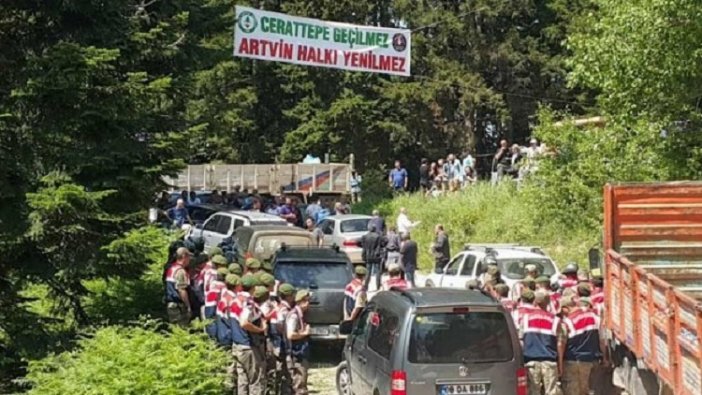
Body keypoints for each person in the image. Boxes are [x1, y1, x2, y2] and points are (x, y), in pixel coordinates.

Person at [558, 297, 607, 395]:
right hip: (592, 361)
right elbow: (602, 340)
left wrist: (560, 365)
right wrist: (605, 358)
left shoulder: (567, 322)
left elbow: (561, 345)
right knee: (589, 391)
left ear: (565, 308)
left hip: (573, 362)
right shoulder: (595, 318)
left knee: (572, 391)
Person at [521, 290, 561, 395]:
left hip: (530, 362)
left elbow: (521, 341)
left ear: (534, 301)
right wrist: (560, 365)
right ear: (548, 303)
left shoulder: (525, 318)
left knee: (533, 392)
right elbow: (560, 344)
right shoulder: (555, 320)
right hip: (549, 362)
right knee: (551, 392)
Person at [233, 278, 268, 395]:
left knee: (242, 380)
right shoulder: (248, 302)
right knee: (256, 381)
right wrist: (260, 329)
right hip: (248, 346)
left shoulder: (235, 299)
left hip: (237, 345)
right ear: (253, 287)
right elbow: (244, 323)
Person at [286, 290, 312, 395]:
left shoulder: (300, 314)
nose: (308, 303)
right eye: (307, 301)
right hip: (296, 354)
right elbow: (290, 335)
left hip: (300, 352)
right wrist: (305, 333)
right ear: (301, 301)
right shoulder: (294, 316)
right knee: (299, 384)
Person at [272, 283, 296, 394]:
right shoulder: (284, 309)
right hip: (282, 344)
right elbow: (280, 325)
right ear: (289, 296)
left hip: (279, 343)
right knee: (286, 369)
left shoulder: (278, 306)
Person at [164, 247, 192, 326]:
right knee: (182, 327)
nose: (189, 260)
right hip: (178, 306)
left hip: (170, 304)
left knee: (174, 328)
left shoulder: (172, 268)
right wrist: (188, 306)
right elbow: (181, 290)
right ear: (184, 256)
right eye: (188, 257)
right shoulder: (180, 271)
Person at [361, 225, 383, 291]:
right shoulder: (378, 236)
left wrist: (363, 255)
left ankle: (366, 286)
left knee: (368, 271)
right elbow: (379, 246)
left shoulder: (364, 237)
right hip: (376, 255)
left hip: (368, 255)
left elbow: (364, 248)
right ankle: (378, 286)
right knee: (378, 271)